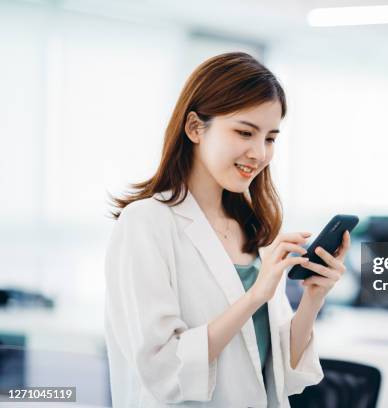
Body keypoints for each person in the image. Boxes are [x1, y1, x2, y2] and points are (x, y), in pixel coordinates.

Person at [104, 52, 351, 407]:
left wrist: (313, 297)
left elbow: (284, 373)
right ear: (194, 128)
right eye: (244, 132)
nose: (259, 153)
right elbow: (163, 370)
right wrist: (254, 296)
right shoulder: (145, 223)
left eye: (270, 138)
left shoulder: (252, 227)